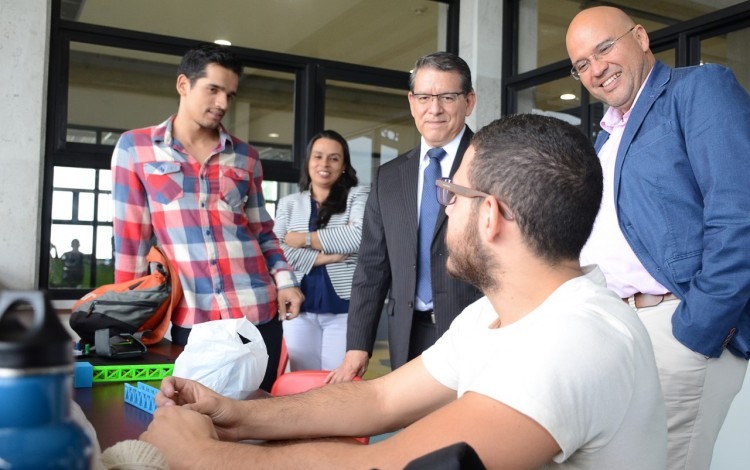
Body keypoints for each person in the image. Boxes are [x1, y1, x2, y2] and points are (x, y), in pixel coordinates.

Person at [140, 114, 668, 469]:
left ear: (490, 215)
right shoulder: (494, 315)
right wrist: (235, 415)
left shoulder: (574, 342)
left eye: (451, 193)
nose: (442, 208)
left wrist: (207, 458)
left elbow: (383, 465)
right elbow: (379, 397)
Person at [566, 7, 750, 469]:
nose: (596, 69)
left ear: (641, 37)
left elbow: (739, 214)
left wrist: (698, 330)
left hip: (675, 326)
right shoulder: (606, 136)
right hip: (617, 330)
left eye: (604, 48)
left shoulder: (698, 90)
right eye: (582, 64)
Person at [111, 44, 304, 391]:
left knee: (262, 421)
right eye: (213, 90)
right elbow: (131, 243)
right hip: (193, 318)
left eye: (229, 94)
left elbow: (262, 231)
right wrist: (126, 318)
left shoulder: (246, 156)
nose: (222, 104)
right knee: (195, 422)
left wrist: (287, 281)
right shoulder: (135, 148)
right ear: (183, 84)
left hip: (257, 312)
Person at [327, 52, 482, 383]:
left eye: (447, 97)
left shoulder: (491, 165)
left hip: (476, 332)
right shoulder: (390, 177)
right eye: (424, 97)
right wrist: (358, 344)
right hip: (407, 334)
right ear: (412, 103)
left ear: (468, 101)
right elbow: (372, 265)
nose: (434, 108)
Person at [272, 130, 369, 371]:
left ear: (344, 165)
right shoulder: (289, 203)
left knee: (336, 383)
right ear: (308, 162)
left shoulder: (358, 196)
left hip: (344, 310)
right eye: (318, 156)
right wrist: (328, 256)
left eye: (334, 158)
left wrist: (301, 239)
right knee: (301, 380)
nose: (324, 164)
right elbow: (277, 250)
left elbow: (357, 238)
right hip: (299, 308)